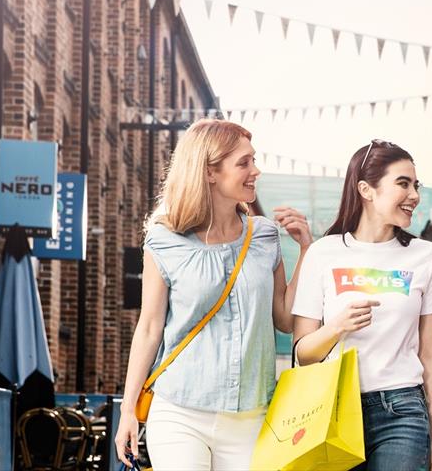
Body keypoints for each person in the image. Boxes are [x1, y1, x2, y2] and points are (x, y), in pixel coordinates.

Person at [113, 119, 312, 469]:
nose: (256, 171)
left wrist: (306, 251)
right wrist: (128, 410)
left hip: (251, 417)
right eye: (244, 163)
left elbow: (283, 319)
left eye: (254, 160)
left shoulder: (265, 236)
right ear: (209, 172)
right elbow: (149, 327)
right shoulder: (164, 239)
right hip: (180, 411)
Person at [291, 140, 432, 471]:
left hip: (403, 410)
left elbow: (431, 354)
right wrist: (336, 327)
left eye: (416, 185)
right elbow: (302, 355)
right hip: (332, 411)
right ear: (366, 189)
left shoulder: (427, 256)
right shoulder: (323, 253)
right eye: (403, 183)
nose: (415, 196)